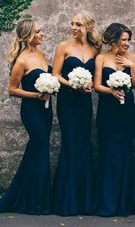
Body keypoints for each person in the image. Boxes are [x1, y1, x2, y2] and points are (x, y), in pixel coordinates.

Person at [0, 19, 52, 214]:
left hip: (46, 110)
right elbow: (12, 90)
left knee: (37, 151)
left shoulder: (40, 54)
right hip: (31, 111)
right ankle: (35, 203)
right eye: (38, 31)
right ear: (29, 35)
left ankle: (31, 197)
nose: (41, 34)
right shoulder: (21, 60)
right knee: (39, 149)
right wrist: (37, 95)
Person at [52, 11, 101, 216]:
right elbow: (55, 74)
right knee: (70, 144)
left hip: (84, 102)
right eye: (72, 23)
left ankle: (84, 199)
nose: (73, 27)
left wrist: (88, 84)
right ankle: (67, 199)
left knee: (83, 143)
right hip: (67, 102)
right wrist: (71, 84)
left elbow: (95, 75)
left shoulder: (95, 49)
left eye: (78, 24)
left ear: (87, 27)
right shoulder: (63, 46)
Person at [93, 23, 135, 216]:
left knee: (124, 152)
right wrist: (111, 90)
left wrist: (133, 68)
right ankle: (107, 201)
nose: (127, 43)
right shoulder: (102, 58)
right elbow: (97, 85)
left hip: (127, 110)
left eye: (128, 40)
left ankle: (124, 202)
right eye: (124, 40)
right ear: (113, 40)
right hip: (107, 110)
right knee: (108, 152)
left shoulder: (133, 58)